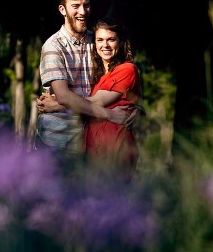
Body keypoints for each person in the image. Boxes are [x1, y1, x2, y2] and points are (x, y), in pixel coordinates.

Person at [34, 0, 136, 157]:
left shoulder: (98, 41)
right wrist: (110, 115)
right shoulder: (53, 47)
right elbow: (64, 96)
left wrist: (135, 108)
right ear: (62, 10)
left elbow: (118, 82)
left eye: (86, 5)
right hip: (57, 142)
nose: (83, 11)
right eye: (76, 6)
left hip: (91, 142)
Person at [37, 17, 142, 172]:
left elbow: (97, 101)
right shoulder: (98, 75)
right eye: (100, 40)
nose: (105, 45)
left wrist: (57, 104)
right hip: (92, 148)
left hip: (115, 146)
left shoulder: (126, 69)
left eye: (111, 39)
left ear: (120, 42)